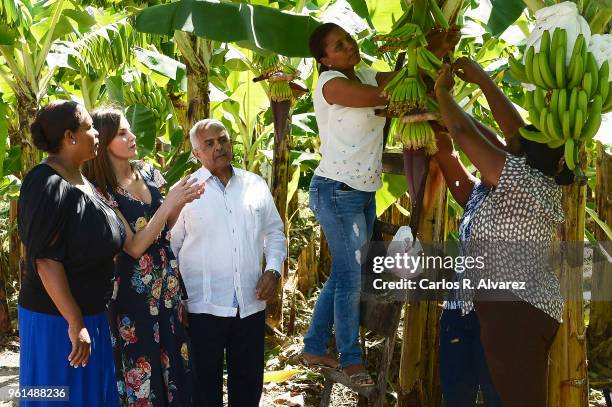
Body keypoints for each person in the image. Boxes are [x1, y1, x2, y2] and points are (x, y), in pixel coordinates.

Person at [301, 22, 459, 386]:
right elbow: (381, 96)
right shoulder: (332, 85)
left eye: (349, 39)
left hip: (363, 190)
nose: (349, 46)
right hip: (337, 191)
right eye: (338, 46)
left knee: (343, 271)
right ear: (325, 60)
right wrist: (424, 50)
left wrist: (435, 48)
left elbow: (405, 78)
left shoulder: (368, 73)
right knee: (348, 275)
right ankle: (351, 360)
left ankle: (313, 345)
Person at [433, 58, 573, 406]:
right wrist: (480, 80)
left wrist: (440, 93)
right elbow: (505, 131)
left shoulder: (521, 180)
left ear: (527, 154)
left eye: (521, 141)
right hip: (499, 307)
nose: (515, 136)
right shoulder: (537, 177)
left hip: (514, 312)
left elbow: (466, 133)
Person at [82, 107, 204, 406]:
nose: (132, 136)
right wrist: (170, 203)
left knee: (175, 354)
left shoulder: (149, 171)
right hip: (132, 289)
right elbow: (134, 247)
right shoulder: (101, 192)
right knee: (142, 359)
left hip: (167, 281)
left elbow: (164, 227)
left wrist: (180, 202)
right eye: (122, 133)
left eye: (129, 130)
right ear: (105, 140)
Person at [169, 119, 286, 407]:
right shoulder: (184, 192)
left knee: (247, 388)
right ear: (196, 153)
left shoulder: (254, 184)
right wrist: (175, 302)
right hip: (203, 307)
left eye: (223, 139)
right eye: (209, 143)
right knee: (204, 390)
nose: (219, 146)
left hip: (250, 304)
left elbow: (274, 232)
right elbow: (170, 248)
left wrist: (273, 269)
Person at [18, 101, 124, 406]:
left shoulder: (82, 180)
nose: (96, 134)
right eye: (89, 127)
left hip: (89, 315)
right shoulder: (46, 184)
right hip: (57, 321)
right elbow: (46, 260)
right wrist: (74, 322)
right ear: (69, 137)